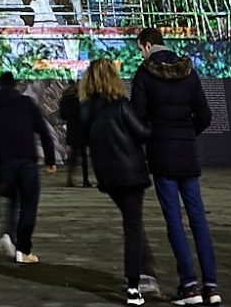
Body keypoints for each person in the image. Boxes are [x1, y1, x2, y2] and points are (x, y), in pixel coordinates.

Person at [130, 28, 219, 307]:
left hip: (163, 156)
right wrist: (187, 133)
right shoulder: (187, 71)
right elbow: (205, 114)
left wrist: (154, 137)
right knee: (198, 219)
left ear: (145, 45)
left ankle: (189, 286)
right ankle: (212, 286)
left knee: (174, 221)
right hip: (188, 153)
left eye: (140, 48)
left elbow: (137, 117)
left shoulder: (144, 74)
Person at [81, 56, 153, 307]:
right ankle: (134, 285)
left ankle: (146, 269)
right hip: (131, 175)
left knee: (133, 223)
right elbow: (143, 133)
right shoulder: (121, 104)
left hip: (107, 178)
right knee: (132, 227)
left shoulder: (87, 110)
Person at [0, 71, 57, 264]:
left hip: (6, 163)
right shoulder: (26, 104)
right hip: (27, 161)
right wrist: (50, 160)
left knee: (11, 201)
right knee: (28, 204)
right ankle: (23, 250)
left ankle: (8, 236)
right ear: (16, 85)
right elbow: (43, 132)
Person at [60, 80, 91, 187]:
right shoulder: (81, 99)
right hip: (82, 128)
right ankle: (85, 180)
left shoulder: (64, 99)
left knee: (73, 155)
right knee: (83, 156)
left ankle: (69, 179)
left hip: (72, 128)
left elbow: (63, 115)